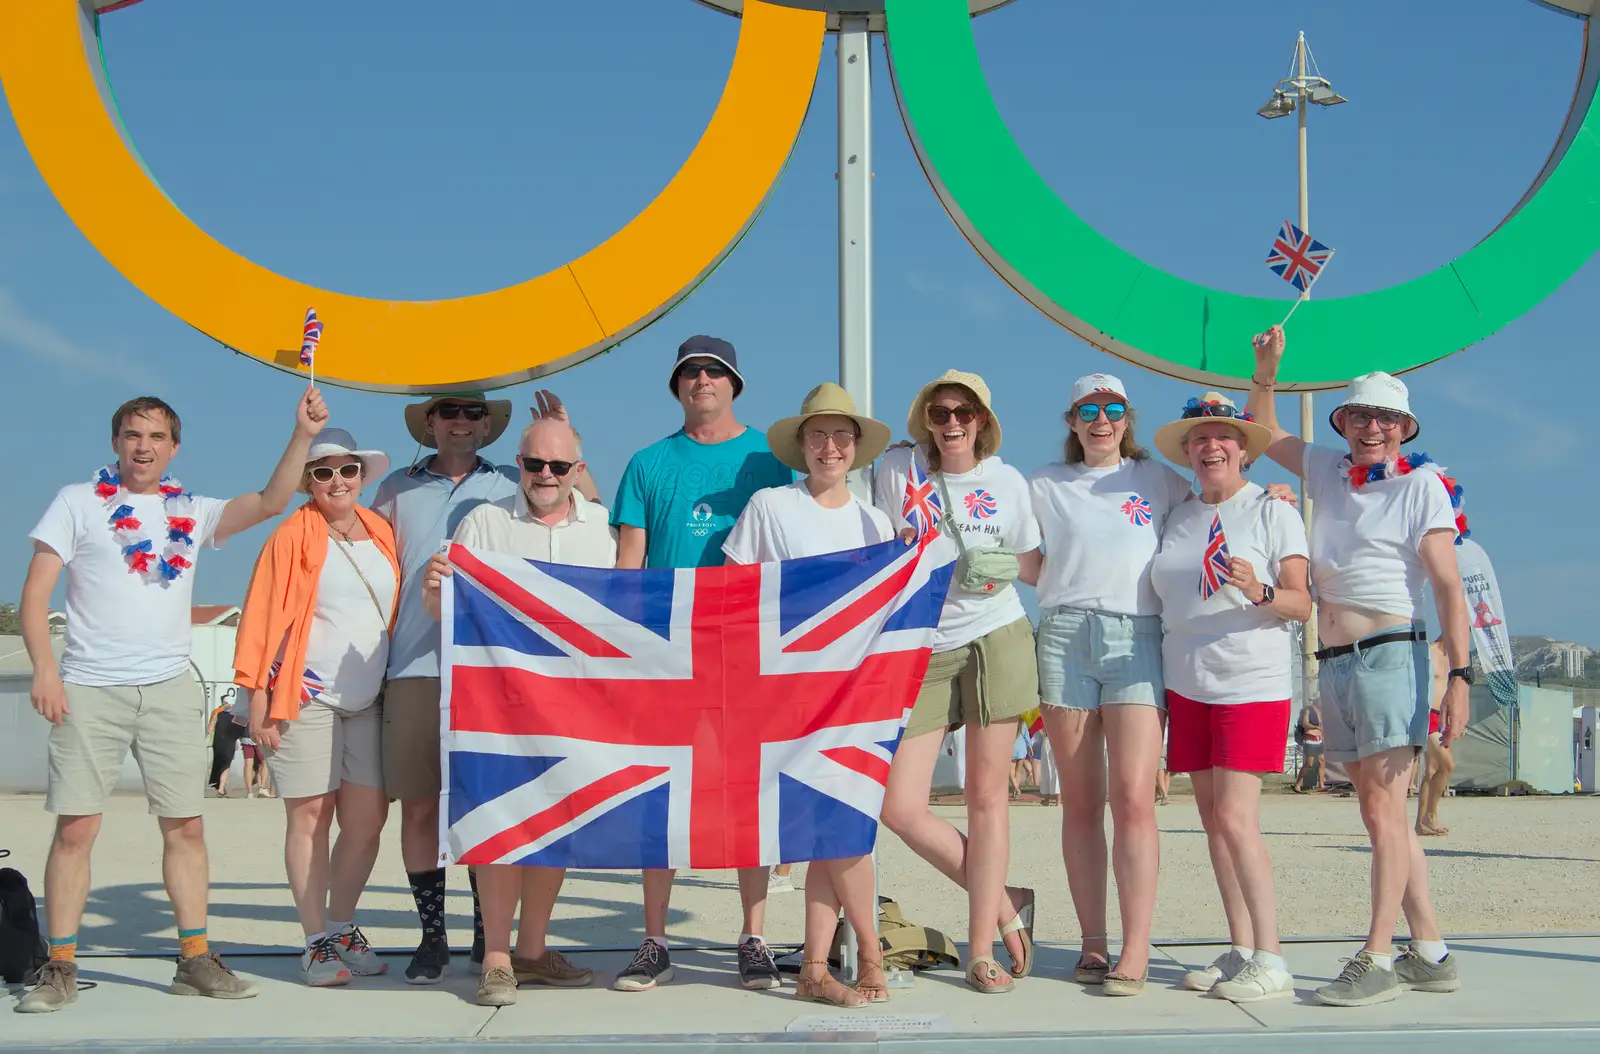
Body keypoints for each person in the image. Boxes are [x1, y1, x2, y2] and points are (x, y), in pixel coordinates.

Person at [17, 386, 328, 1013]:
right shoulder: (77, 503)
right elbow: (35, 593)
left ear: (174, 447)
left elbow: (270, 502)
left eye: (157, 436)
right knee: (77, 826)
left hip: (168, 686)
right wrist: (44, 670)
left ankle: (193, 958)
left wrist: (303, 435)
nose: (144, 446)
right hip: (88, 685)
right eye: (133, 434)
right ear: (115, 442)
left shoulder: (192, 510)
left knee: (185, 825)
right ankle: (60, 966)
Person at [1248, 325, 1469, 1006]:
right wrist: (1266, 369)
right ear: (1344, 423)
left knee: (1381, 811)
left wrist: (1459, 677)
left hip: (1389, 655)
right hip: (1336, 659)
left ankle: (1376, 955)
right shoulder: (1326, 469)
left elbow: (1447, 585)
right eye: (1361, 416)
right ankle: (1428, 950)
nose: (1373, 428)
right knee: (1385, 817)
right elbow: (1262, 431)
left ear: (1404, 428)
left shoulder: (1422, 486)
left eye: (1386, 418)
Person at [608, 335, 793, 992]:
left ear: (735, 383)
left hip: (744, 653)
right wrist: (625, 652)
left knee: (747, 792)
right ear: (677, 386)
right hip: (666, 655)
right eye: (690, 372)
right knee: (662, 796)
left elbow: (788, 559)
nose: (703, 380)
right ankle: (654, 938)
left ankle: (753, 935)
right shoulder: (647, 463)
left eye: (715, 371)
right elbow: (628, 567)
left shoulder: (770, 461)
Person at [422, 416, 615, 1005]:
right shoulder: (485, 521)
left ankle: (533, 950)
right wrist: (435, 593)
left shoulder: (604, 530)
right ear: (520, 464)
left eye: (560, 466)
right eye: (535, 465)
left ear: (578, 469)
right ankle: (498, 958)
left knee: (554, 825)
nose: (547, 476)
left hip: (573, 704)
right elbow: (447, 611)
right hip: (500, 706)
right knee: (502, 826)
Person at [721, 381, 895, 1008]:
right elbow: (734, 592)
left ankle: (824, 965)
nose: (830, 447)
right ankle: (854, 959)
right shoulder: (771, 506)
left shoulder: (877, 522)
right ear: (802, 444)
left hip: (852, 696)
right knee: (824, 826)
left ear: (856, 447)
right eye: (818, 435)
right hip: (785, 693)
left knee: (842, 825)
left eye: (841, 436)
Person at [1022, 372, 1191, 997]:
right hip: (1063, 635)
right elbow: (1014, 547)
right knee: (1080, 801)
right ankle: (1093, 944)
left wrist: (1273, 497)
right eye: (1087, 409)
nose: (1100, 419)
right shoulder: (1043, 483)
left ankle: (1135, 948)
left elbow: (1216, 505)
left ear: (1128, 417)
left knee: (1133, 797)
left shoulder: (1158, 480)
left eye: (1112, 408)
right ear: (1071, 420)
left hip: (1137, 636)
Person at [873, 369, 1039, 994]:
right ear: (926, 417)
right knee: (900, 806)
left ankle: (979, 950)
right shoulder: (899, 470)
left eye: (963, 412)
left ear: (982, 421)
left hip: (997, 631)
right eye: (940, 412)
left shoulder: (1008, 481)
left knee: (986, 798)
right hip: (926, 642)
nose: (951, 422)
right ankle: (1002, 901)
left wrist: (1010, 568)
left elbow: (1036, 564)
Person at [1149, 392, 1312, 1003]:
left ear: (1244, 449)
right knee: (1213, 822)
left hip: (1251, 680)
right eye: (1199, 438)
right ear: (1188, 452)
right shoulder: (1179, 513)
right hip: (1187, 680)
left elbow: (1301, 603)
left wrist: (1259, 586)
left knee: (1239, 821)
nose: (1211, 446)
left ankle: (1273, 958)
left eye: (1224, 437)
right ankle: (1242, 946)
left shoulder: (1274, 512)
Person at [233, 429, 399, 988]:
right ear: (308, 481)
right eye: (323, 472)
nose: (337, 482)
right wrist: (255, 697)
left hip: (370, 698)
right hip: (305, 695)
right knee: (309, 816)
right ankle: (314, 941)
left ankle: (343, 924)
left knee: (368, 820)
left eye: (346, 471)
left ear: (361, 475)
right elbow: (261, 615)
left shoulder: (381, 531)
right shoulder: (291, 535)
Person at [372, 390, 517, 984]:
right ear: (429, 422)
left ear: (487, 425)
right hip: (411, 663)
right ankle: (433, 936)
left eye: (473, 412)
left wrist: (572, 452)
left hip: (487, 668)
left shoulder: (513, 482)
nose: (462, 421)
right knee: (421, 807)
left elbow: (579, 514)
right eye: (450, 411)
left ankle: (490, 935)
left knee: (486, 806)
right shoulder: (392, 491)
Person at [1415, 638, 1455, 836]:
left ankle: (1421, 823)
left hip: (1442, 716)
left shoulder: (1455, 658)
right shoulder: (1429, 651)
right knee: (1447, 765)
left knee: (1431, 770)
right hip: (1427, 714)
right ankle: (1429, 816)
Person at [1295, 704, 1326, 793]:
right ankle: (1297, 784)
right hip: (1310, 739)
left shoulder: (1320, 711)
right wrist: (1316, 727)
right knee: (1309, 764)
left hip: (1319, 740)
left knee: (1322, 761)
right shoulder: (1307, 710)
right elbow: (1305, 724)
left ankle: (1321, 785)